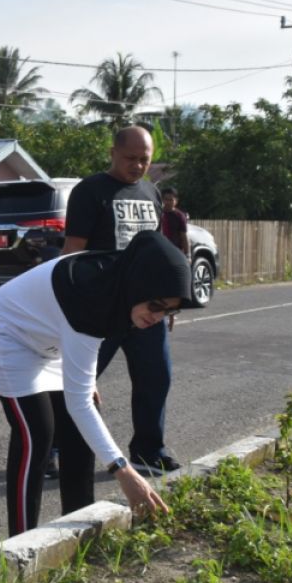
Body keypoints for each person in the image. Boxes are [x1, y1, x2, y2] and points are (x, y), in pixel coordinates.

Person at [0, 231, 200, 535]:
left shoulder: (123, 285)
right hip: (9, 333)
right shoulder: (93, 294)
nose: (157, 317)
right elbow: (78, 397)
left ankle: (80, 528)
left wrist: (83, 376)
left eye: (168, 311)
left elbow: (87, 347)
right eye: (155, 305)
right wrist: (123, 470)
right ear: (139, 286)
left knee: (81, 429)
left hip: (54, 335)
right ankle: (19, 543)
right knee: (37, 433)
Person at [63, 125, 180, 475]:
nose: (138, 166)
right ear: (113, 152)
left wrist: (166, 302)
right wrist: (68, 307)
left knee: (156, 376)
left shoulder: (151, 192)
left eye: (145, 159)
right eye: (130, 158)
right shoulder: (90, 191)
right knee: (78, 381)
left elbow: (157, 250)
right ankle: (59, 448)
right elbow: (72, 253)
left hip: (144, 306)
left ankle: (148, 450)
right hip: (101, 307)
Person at [160, 186, 190, 259]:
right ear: (162, 200)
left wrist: (187, 255)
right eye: (166, 199)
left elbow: (184, 236)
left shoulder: (179, 216)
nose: (168, 202)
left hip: (175, 252)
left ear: (176, 201)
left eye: (171, 200)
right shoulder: (157, 213)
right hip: (159, 250)